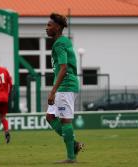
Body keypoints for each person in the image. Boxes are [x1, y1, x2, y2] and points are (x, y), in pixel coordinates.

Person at [45, 13, 84, 163]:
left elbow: (63, 67)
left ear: (58, 27)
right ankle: (73, 144)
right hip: (65, 85)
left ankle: (71, 157)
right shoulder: (62, 41)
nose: (46, 28)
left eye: (49, 25)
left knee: (65, 121)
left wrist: (53, 91)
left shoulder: (60, 43)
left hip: (65, 85)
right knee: (50, 117)